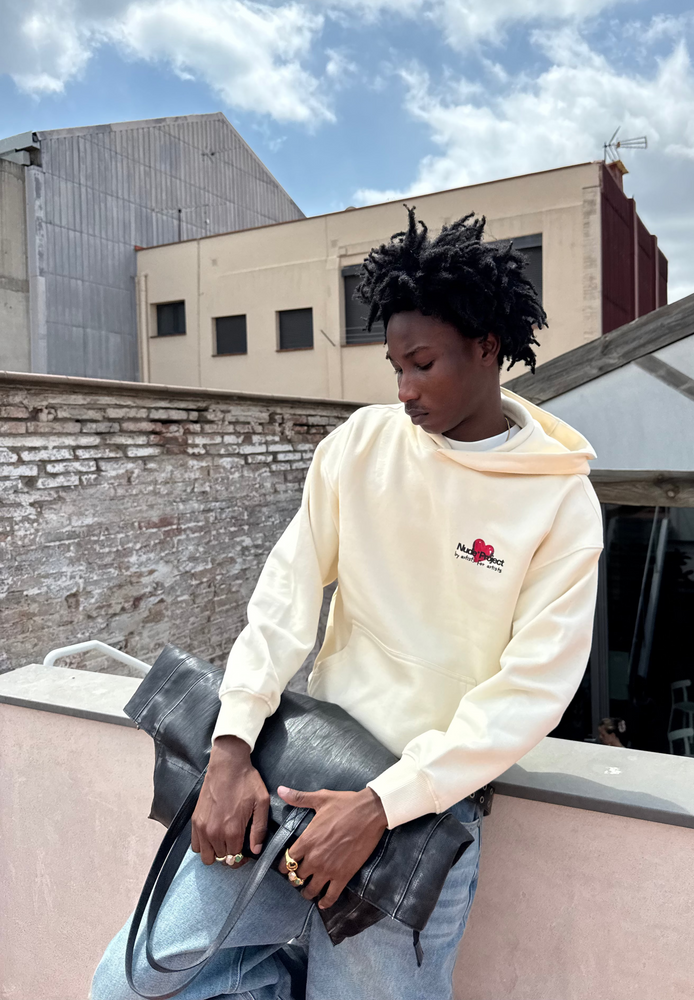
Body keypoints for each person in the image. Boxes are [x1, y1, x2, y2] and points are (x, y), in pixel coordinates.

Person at [92, 209, 604, 1000]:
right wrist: (231, 744)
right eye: (395, 366)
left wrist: (380, 805)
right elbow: (285, 597)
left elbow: (532, 689)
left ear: (487, 347)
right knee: (129, 985)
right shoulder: (360, 445)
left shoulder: (560, 502)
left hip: (419, 820)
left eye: (422, 364)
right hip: (298, 773)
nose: (405, 391)